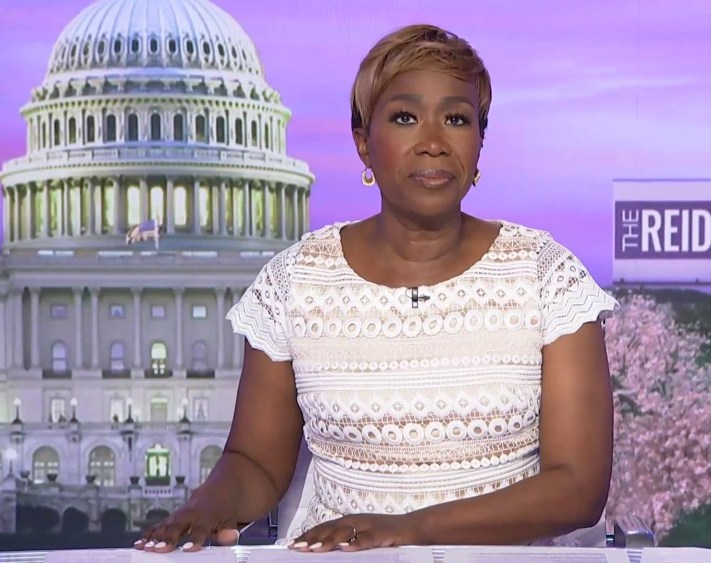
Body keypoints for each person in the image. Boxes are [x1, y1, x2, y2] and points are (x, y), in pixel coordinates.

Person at [136, 23, 618, 554]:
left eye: (456, 119)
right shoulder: (293, 281)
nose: (433, 143)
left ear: (479, 143)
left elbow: (577, 488)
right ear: (363, 143)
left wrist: (409, 530)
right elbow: (255, 462)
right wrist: (208, 505)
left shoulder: (547, 275)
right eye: (405, 118)